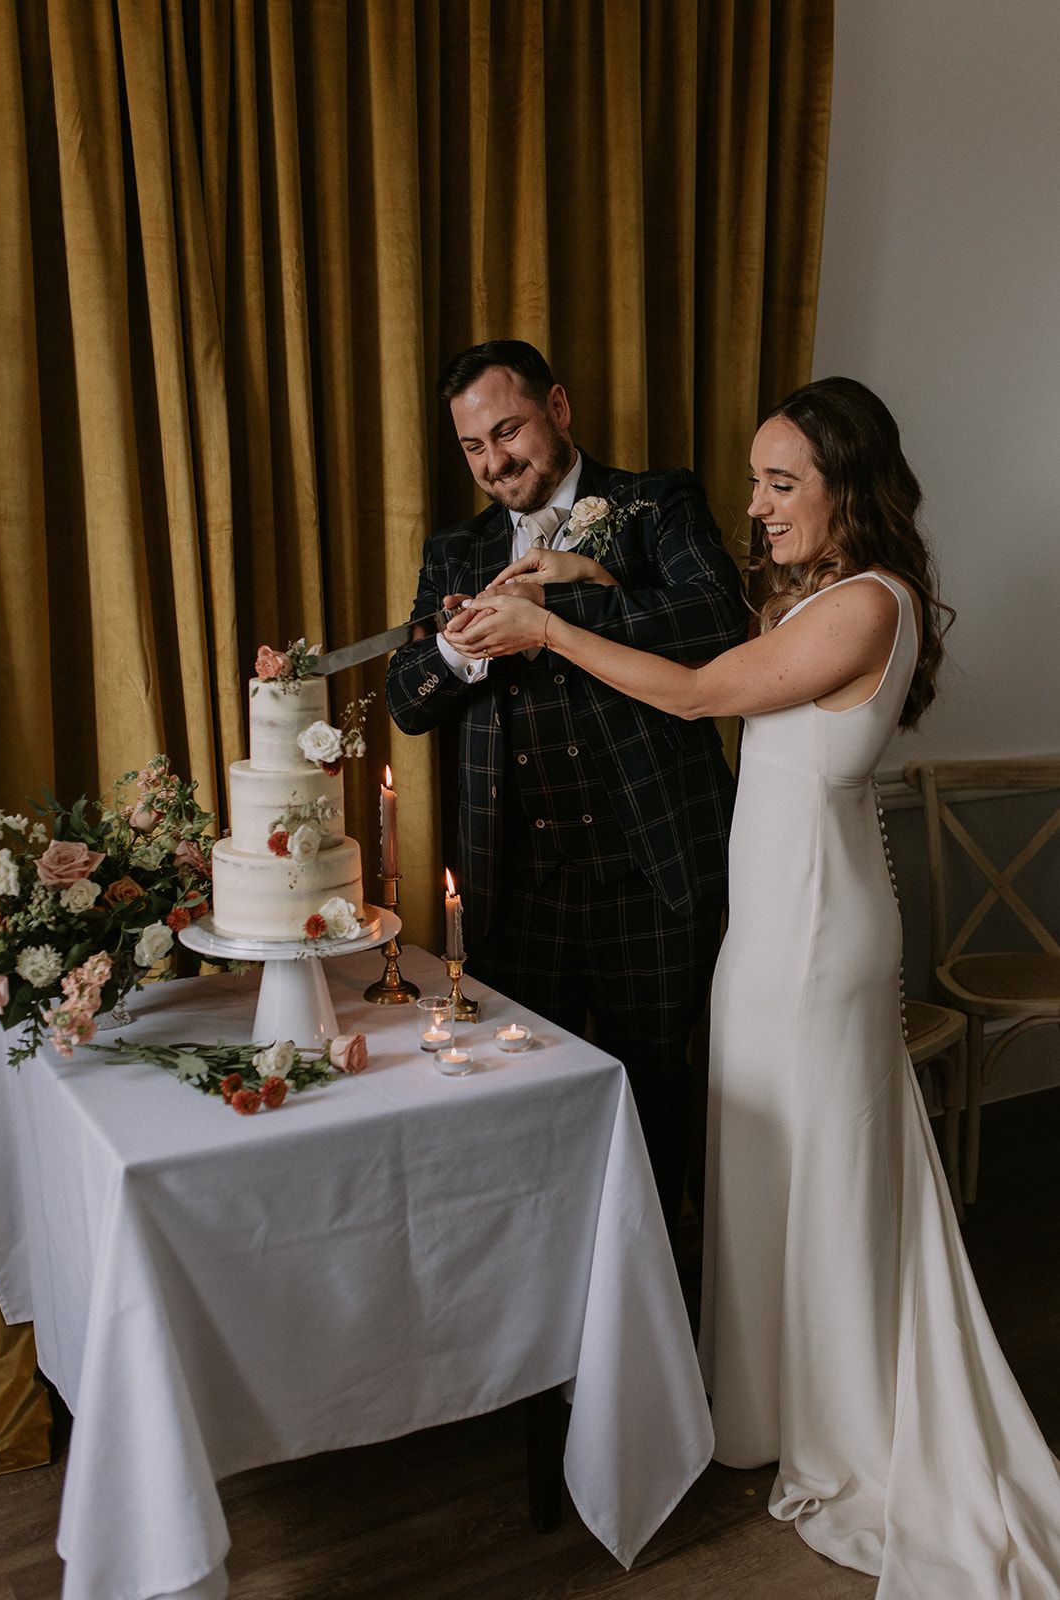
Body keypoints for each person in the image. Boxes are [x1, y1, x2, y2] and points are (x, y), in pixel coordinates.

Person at [455, 376, 1060, 1596]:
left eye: (782, 482)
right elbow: (723, 638)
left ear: (848, 483)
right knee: (763, 1162)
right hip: (766, 927)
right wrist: (599, 584)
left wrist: (552, 629)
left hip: (820, 938)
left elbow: (694, 690)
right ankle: (765, 1407)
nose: (756, 503)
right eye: (755, 480)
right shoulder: (816, 594)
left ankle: (844, 1414)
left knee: (825, 1170)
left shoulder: (869, 605)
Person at [386, 340, 745, 1229]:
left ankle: (657, 1324)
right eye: (474, 448)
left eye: (507, 430)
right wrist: (458, 652)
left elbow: (717, 620)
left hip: (653, 875)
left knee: (659, 1099)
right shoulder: (454, 550)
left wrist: (560, 608)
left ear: (558, 405)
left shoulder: (653, 503)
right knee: (529, 1106)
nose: (496, 461)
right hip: (518, 887)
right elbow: (405, 699)